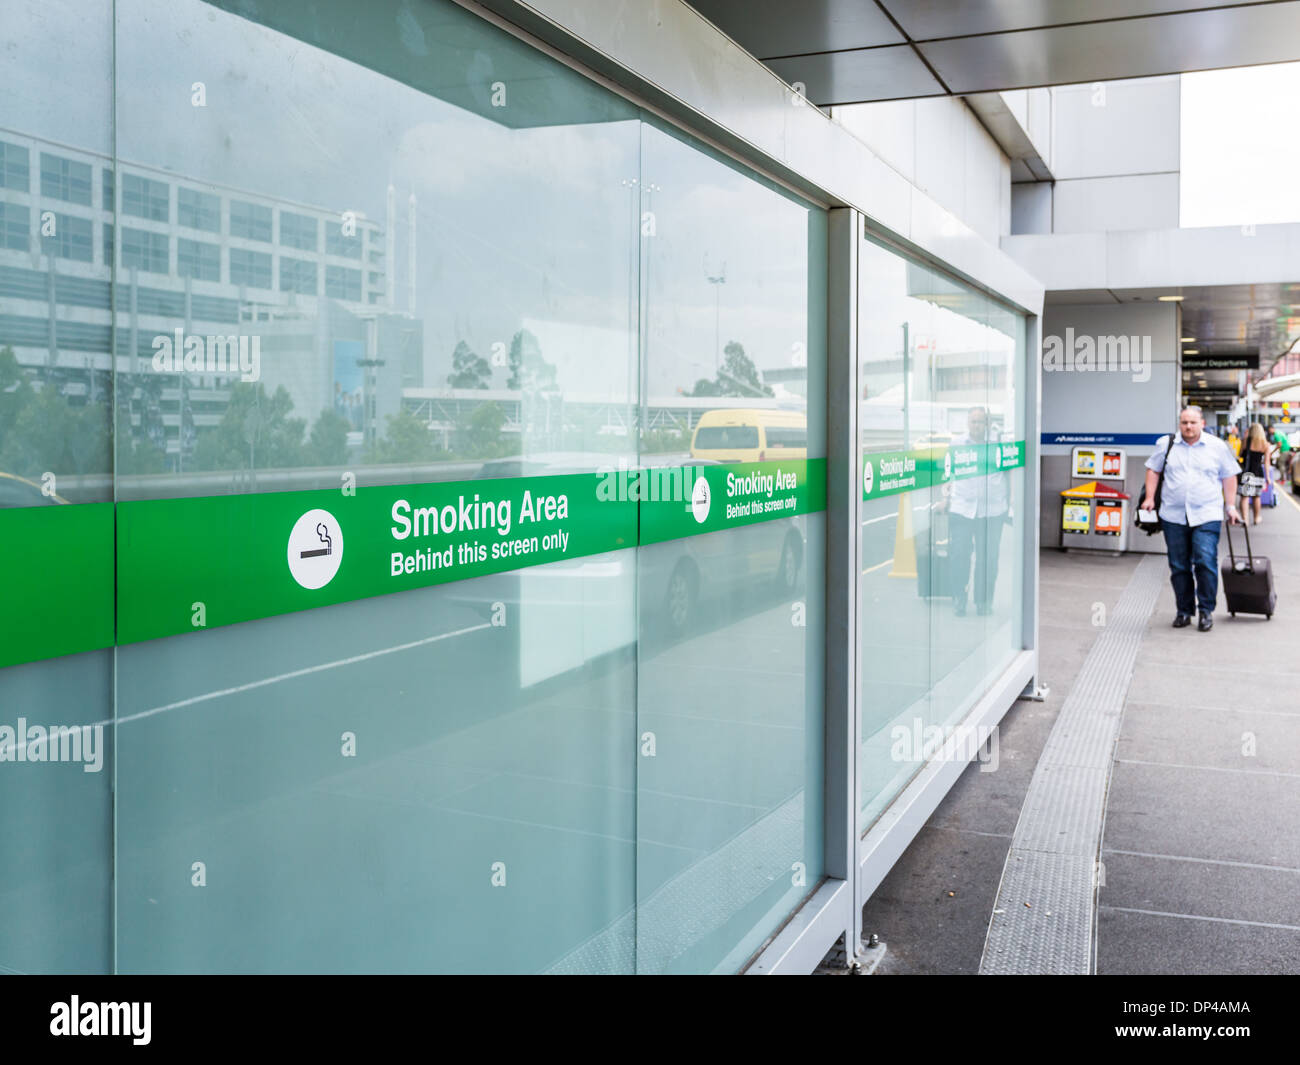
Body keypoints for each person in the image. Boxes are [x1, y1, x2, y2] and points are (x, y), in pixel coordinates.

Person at [1143, 406, 1241, 632]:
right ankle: (1184, 611)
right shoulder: (1166, 444)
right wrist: (1149, 498)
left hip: (1206, 514)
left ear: (1202, 424)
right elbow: (1153, 470)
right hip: (1173, 515)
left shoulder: (1216, 447)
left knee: (1205, 561)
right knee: (1179, 566)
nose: (1188, 427)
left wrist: (1231, 506)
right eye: (1184, 422)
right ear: (1179, 423)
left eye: (1193, 423)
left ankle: (1206, 610)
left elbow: (1229, 476)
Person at [940, 406, 1009, 617]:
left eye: (980, 422)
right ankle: (959, 597)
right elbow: (947, 472)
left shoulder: (998, 443)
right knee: (959, 554)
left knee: (988, 558)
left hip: (992, 510)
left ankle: (983, 601)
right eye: (973, 422)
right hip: (962, 507)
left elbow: (1009, 472)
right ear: (967, 423)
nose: (976, 426)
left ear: (987, 424)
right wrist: (945, 498)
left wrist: (1010, 502)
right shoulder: (957, 444)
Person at [1240, 423, 1271, 526]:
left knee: (1244, 497)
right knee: (1256, 497)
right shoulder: (1265, 444)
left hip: (1247, 473)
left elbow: (1240, 455)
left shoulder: (1245, 441)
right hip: (1258, 473)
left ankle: (1245, 519)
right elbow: (1267, 463)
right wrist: (1268, 477)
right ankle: (1257, 518)